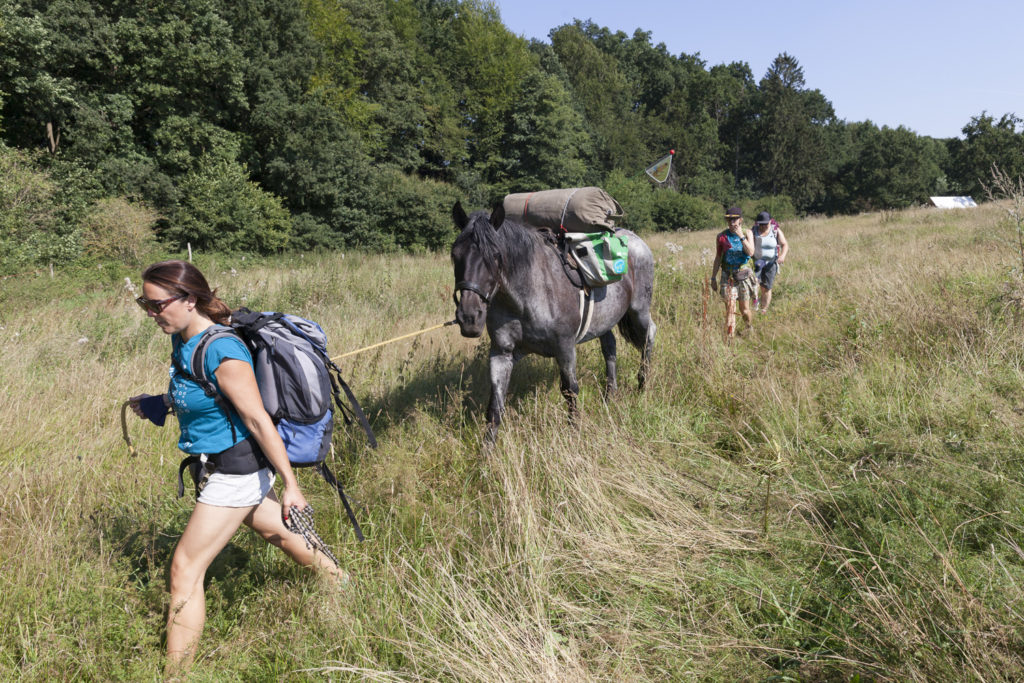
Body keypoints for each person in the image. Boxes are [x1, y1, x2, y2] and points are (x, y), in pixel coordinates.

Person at [129, 260, 344, 675]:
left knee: (184, 570)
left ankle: (176, 674)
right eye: (145, 304)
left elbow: (258, 420)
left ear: (190, 300)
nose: (152, 314)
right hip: (219, 468)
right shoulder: (183, 340)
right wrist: (160, 403)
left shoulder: (222, 348)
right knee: (276, 530)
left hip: (235, 472)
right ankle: (340, 581)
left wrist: (292, 485)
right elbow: (203, 393)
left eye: (158, 305)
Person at [710, 206, 756, 338]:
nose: (732, 223)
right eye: (729, 220)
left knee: (745, 309)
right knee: (730, 308)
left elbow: (751, 252)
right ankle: (730, 338)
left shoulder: (747, 233)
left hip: (743, 276)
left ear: (740, 220)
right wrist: (713, 278)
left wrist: (741, 236)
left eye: (735, 220)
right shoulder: (721, 237)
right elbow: (718, 257)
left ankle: (748, 327)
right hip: (727, 275)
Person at [752, 211, 789, 313]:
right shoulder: (753, 231)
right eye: (761, 224)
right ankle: (755, 303)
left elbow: (784, 244)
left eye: (765, 224)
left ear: (770, 222)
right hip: (756, 262)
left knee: (767, 287)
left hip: (771, 263)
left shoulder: (775, 230)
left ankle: (763, 310)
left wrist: (782, 256)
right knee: (754, 284)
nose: (763, 226)